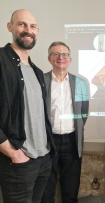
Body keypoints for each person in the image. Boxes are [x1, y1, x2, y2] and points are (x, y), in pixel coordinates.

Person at [0, 9, 56, 203]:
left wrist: (47, 155)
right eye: (21, 24)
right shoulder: (1, 61)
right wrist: (11, 151)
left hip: (43, 159)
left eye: (32, 26)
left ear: (37, 31)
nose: (28, 30)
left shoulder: (38, 72)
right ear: (10, 27)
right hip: (18, 161)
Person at [41, 41, 89, 203]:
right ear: (49, 59)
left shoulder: (81, 83)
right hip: (47, 141)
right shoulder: (41, 81)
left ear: (70, 59)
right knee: (46, 191)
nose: (61, 57)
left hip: (72, 141)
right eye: (56, 54)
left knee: (70, 190)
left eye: (65, 55)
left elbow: (84, 113)